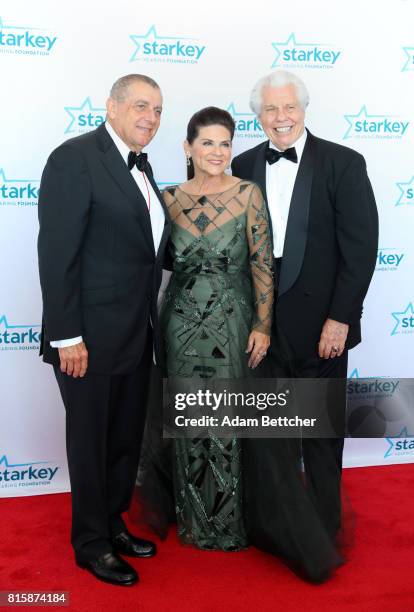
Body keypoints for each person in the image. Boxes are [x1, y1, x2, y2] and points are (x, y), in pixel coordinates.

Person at [232, 70, 378, 580]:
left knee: (319, 433)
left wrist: (341, 318)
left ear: (304, 109)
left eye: (288, 108)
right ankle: (274, 526)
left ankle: (323, 529)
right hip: (262, 325)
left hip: (321, 324)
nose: (281, 118)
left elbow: (360, 252)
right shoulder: (243, 164)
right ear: (259, 116)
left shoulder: (343, 163)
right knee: (268, 431)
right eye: (270, 110)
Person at [37, 74, 170, 586]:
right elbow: (57, 254)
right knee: (91, 443)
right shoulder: (74, 158)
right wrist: (67, 335)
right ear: (111, 107)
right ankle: (90, 544)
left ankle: (113, 524)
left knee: (122, 439)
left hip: (136, 333)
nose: (151, 118)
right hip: (86, 339)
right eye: (140, 106)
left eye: (158, 110)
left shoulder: (141, 166)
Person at [158, 106, 273, 551]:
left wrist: (263, 324)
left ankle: (227, 522)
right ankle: (193, 518)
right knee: (189, 418)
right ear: (188, 147)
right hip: (180, 321)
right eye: (207, 142)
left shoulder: (248, 194)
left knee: (225, 418)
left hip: (231, 322)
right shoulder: (167, 197)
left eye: (225, 143)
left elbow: (262, 264)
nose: (218, 151)